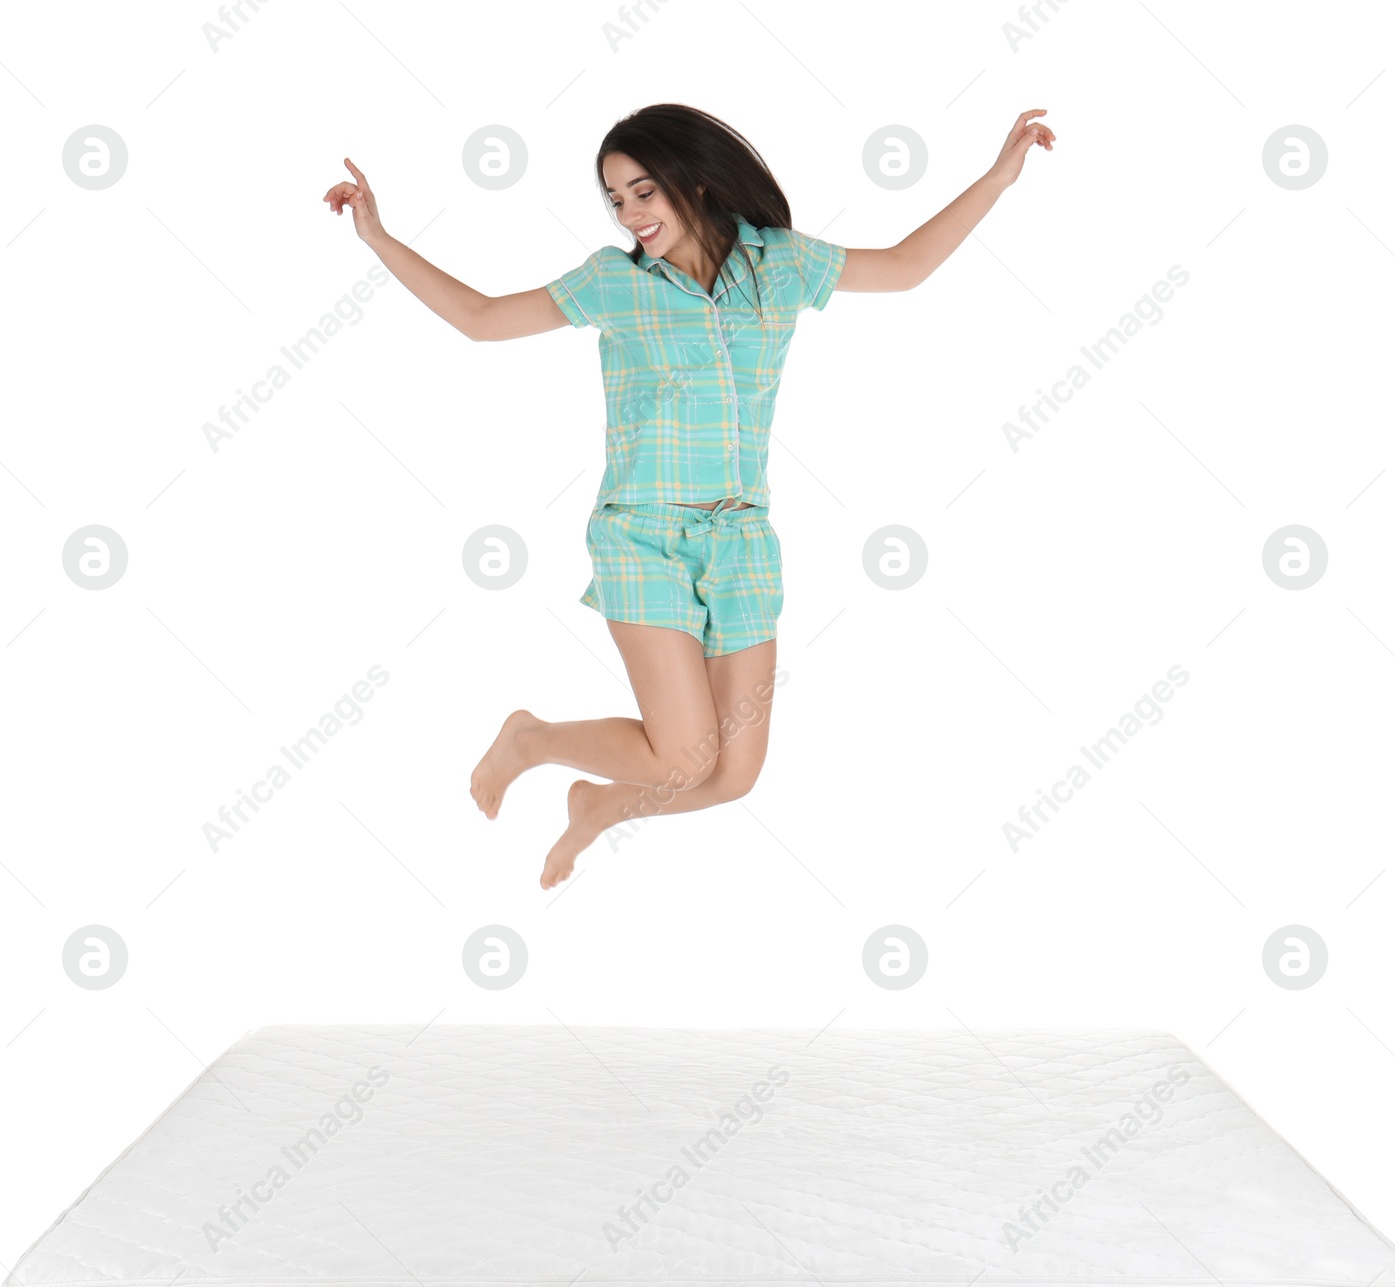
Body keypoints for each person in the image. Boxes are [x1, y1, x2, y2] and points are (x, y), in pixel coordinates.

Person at [323, 102, 1054, 887]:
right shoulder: (614, 283)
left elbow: (908, 265)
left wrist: (1000, 176)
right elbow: (480, 318)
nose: (630, 213)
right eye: (616, 199)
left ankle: (598, 808)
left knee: (733, 774)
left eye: (644, 192)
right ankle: (530, 740)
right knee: (684, 753)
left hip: (741, 538)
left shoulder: (782, 265)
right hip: (641, 534)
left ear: (695, 183)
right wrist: (378, 237)